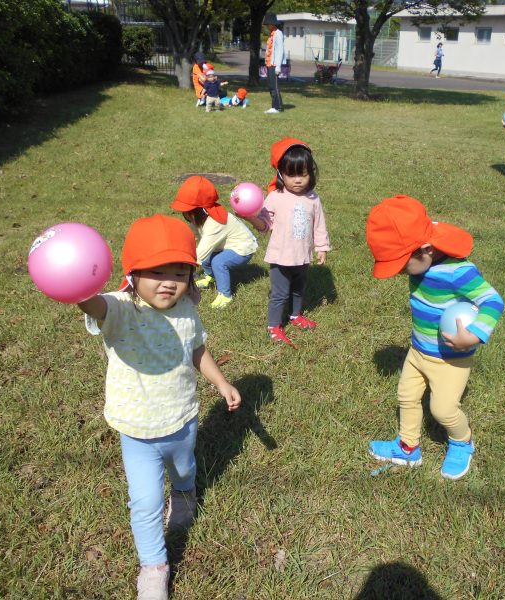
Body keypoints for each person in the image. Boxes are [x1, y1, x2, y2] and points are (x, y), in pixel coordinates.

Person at [75, 214, 241, 600]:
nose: (169, 282)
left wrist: (222, 383)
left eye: (179, 273)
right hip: (137, 431)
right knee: (146, 500)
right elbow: (91, 303)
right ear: (133, 274)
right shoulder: (119, 310)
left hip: (183, 418)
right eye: (157, 272)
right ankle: (154, 566)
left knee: (185, 469)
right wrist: (72, 283)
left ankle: (184, 494)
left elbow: (197, 349)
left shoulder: (186, 309)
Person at [365, 195, 504, 480]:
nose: (400, 272)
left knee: (442, 409)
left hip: (450, 358)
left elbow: (493, 301)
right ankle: (408, 448)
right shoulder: (422, 259)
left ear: (425, 250)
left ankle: (462, 442)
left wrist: (475, 336)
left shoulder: (459, 272)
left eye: (401, 265)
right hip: (418, 351)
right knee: (406, 396)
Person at [253, 137, 330, 344]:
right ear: (280, 174)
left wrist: (322, 247)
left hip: (302, 256)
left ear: (310, 174)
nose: (298, 180)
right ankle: (274, 326)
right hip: (280, 257)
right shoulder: (276, 197)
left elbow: (319, 224)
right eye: (291, 174)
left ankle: (295, 315)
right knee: (280, 294)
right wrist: (252, 218)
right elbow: (265, 224)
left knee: (299, 288)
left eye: (303, 174)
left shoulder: (313, 198)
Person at [170, 175, 259, 308]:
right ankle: (210, 277)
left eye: (188, 212)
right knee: (208, 259)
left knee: (218, 262)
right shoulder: (198, 220)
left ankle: (225, 295)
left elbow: (202, 251)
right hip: (223, 247)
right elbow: (192, 239)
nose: (186, 215)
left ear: (199, 210)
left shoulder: (215, 223)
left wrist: (182, 270)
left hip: (242, 249)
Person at [263, 13, 285, 114]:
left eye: (268, 24)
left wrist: (278, 67)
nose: (267, 26)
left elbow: (280, 50)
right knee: (271, 86)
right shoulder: (271, 34)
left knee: (275, 86)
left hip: (274, 65)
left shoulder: (278, 33)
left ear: (272, 24)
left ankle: (278, 107)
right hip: (269, 64)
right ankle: (274, 106)